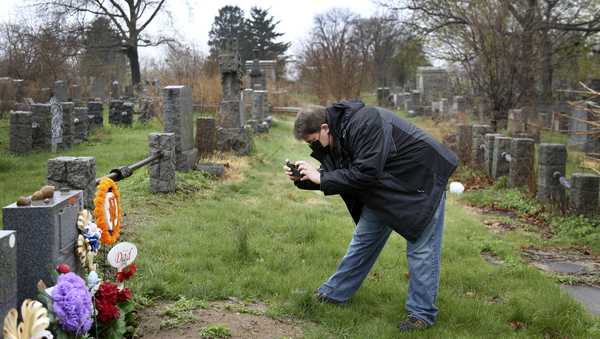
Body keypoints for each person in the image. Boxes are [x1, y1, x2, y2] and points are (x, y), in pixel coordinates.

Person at [284, 100, 458, 332]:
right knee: (363, 241)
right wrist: (304, 179)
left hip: (421, 179)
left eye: (313, 141)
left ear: (325, 128)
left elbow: (365, 173)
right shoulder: (339, 132)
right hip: (385, 186)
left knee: (421, 249)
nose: (315, 147)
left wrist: (321, 177)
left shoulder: (365, 123)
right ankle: (334, 294)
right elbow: (345, 171)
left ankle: (421, 314)